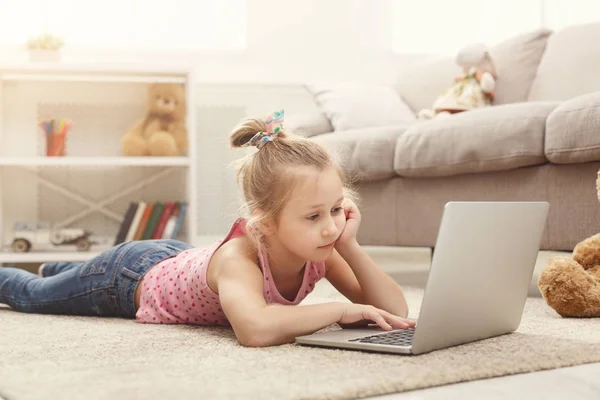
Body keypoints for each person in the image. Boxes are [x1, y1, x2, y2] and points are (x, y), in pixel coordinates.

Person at [0, 110, 415, 347]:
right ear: (264, 223)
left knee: (66, 280)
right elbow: (254, 329)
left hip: (178, 257)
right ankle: (53, 275)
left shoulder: (324, 249)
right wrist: (341, 310)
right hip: (127, 277)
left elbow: (394, 313)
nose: (330, 228)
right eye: (313, 216)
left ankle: (63, 272)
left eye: (337, 209)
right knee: (32, 296)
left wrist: (354, 247)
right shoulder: (240, 258)